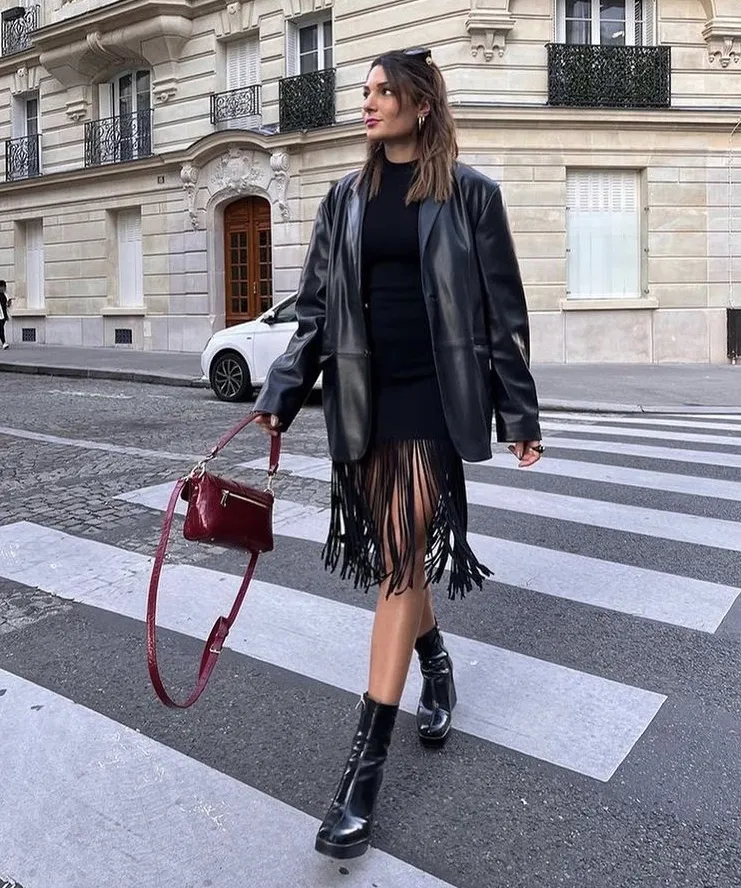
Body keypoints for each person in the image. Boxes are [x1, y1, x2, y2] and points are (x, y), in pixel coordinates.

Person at [253, 47, 543, 860]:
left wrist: (518, 411)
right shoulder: (343, 196)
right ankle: (437, 663)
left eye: (384, 92)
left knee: (399, 566)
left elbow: (500, 314)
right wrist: (280, 391)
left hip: (430, 392)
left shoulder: (470, 193)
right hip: (360, 396)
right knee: (397, 555)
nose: (369, 103)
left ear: (421, 105)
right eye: (366, 91)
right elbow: (313, 311)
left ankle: (360, 778)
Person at [0, 281, 10, 349]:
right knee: (1, 329)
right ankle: (4, 343)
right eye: (2, 287)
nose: (3, 288)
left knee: (0, 329)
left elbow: (7, 305)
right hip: (0, 315)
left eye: (4, 287)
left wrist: (9, 303)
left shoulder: (5, 295)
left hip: (4, 315)